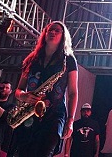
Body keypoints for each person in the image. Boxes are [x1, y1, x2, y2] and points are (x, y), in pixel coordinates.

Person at [13, 21, 79, 157]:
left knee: (45, 152)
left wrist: (70, 121)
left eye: (57, 31)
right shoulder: (31, 59)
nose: (53, 32)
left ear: (63, 36)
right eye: (50, 30)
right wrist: (23, 96)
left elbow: (73, 93)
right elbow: (18, 90)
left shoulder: (69, 61)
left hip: (54, 113)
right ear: (45, 34)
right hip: (29, 113)